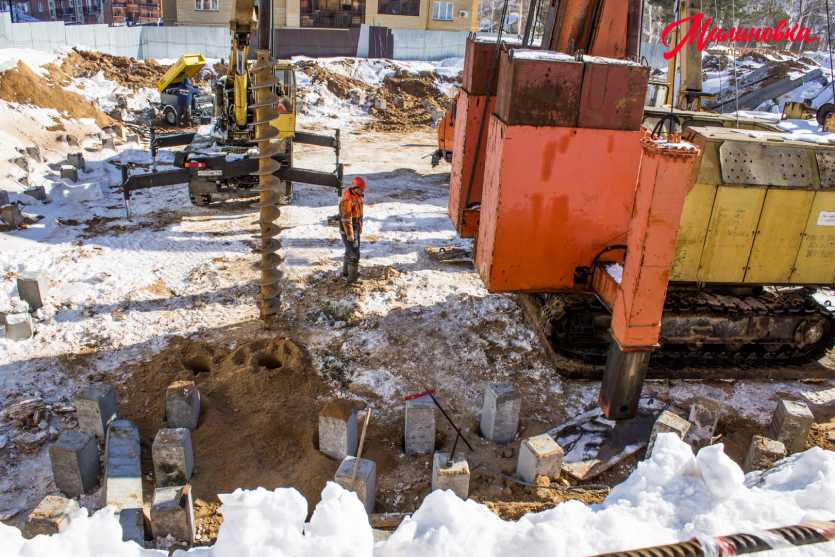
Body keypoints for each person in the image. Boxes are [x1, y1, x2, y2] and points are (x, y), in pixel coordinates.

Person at [339, 176, 366, 283]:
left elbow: (359, 215)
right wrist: (350, 234)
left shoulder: (358, 196)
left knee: (349, 251)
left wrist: (360, 227)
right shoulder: (348, 199)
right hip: (348, 229)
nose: (362, 191)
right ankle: (352, 278)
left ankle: (346, 273)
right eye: (361, 189)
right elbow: (346, 219)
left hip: (355, 227)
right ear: (355, 188)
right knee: (354, 254)